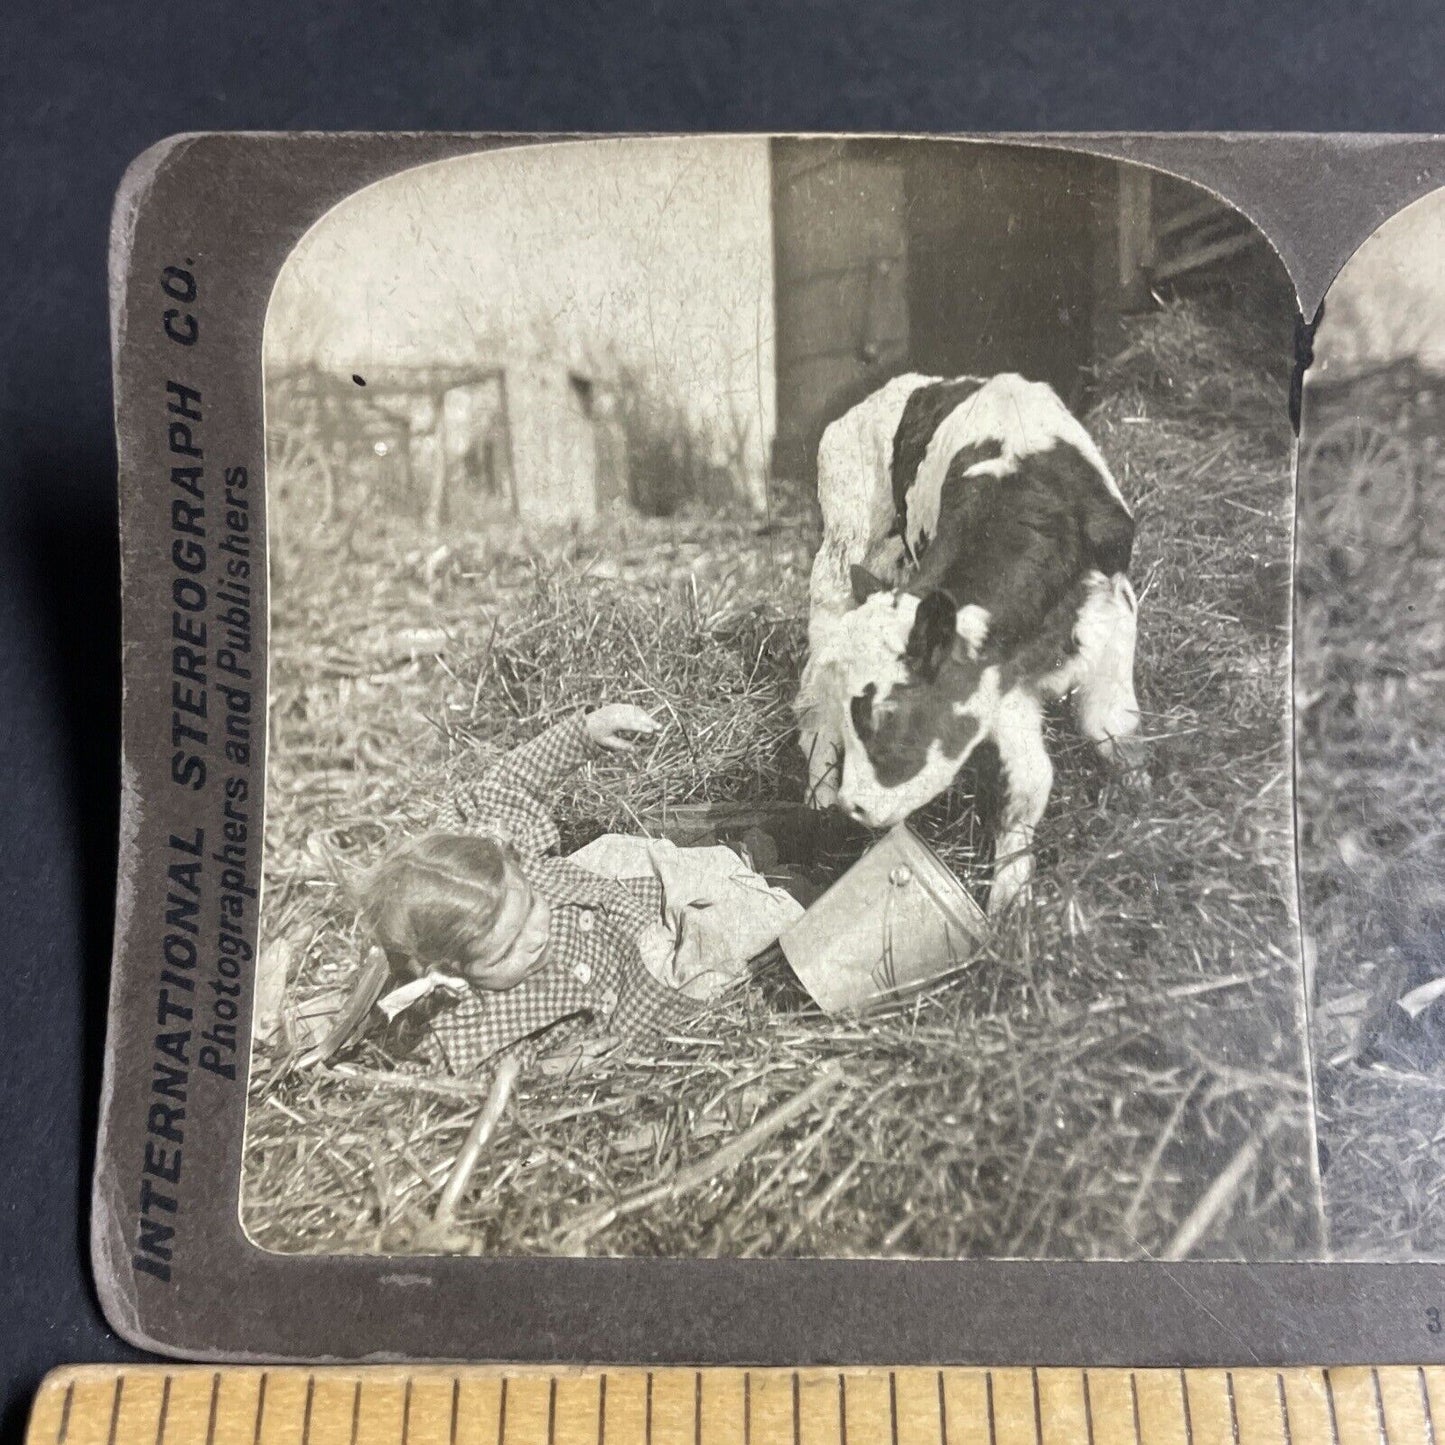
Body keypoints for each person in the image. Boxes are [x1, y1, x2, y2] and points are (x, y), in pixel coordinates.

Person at [308, 704, 804, 1077]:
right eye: (506, 949)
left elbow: (510, 780)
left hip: (610, 891)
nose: (534, 936)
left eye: (529, 907)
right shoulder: (463, 1029)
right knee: (740, 933)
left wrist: (585, 732)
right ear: (449, 974)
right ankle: (799, 892)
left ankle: (750, 856)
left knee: (681, 865)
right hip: (638, 978)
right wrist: (551, 1069)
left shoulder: (483, 853)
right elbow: (462, 1087)